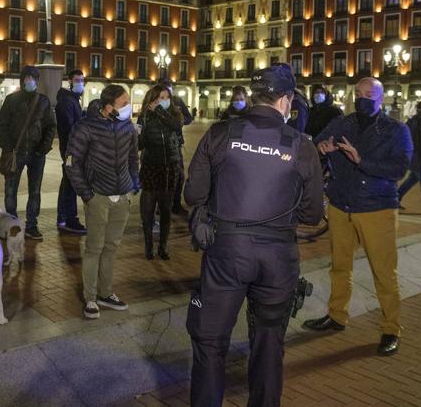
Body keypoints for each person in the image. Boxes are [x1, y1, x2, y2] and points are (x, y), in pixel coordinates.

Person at [184, 64, 323, 407]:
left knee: (210, 343)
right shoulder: (301, 146)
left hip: (226, 252)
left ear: (255, 95)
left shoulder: (219, 133)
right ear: (286, 100)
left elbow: (192, 195)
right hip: (277, 259)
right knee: (269, 343)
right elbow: (312, 214)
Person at [304, 77, 413, 357]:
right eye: (359, 93)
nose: (363, 97)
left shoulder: (396, 130)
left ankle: (391, 328)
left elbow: (399, 168)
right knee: (340, 266)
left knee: (384, 273)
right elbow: (317, 142)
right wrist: (322, 149)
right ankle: (337, 315)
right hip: (342, 205)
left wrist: (360, 160)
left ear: (381, 98)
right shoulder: (344, 122)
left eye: (369, 94)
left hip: (377, 208)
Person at [65, 85, 140, 319]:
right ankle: (90, 298)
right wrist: (87, 194)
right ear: (109, 108)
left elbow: (132, 158)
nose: (129, 106)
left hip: (122, 196)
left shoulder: (128, 127)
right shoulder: (85, 127)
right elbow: (71, 164)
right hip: (98, 196)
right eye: (124, 103)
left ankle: (106, 293)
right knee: (94, 249)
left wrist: (133, 184)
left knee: (111, 247)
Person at [0, 65, 56, 241]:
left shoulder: (44, 101)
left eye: (32, 78)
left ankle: (32, 224)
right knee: (10, 190)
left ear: (37, 80)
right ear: (22, 80)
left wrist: (43, 149)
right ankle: (11, 223)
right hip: (16, 153)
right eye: (26, 77)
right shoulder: (11, 100)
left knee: (35, 190)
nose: (29, 80)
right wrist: (8, 148)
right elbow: (3, 125)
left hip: (37, 154)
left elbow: (50, 127)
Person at [137, 84, 181, 260]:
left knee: (165, 209)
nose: (164, 101)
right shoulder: (145, 117)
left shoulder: (174, 115)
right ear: (152, 99)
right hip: (150, 167)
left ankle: (163, 246)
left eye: (166, 97)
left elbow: (175, 127)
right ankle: (148, 246)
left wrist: (160, 111)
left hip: (169, 167)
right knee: (147, 209)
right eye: (161, 98)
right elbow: (140, 143)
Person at [55, 69, 87, 234]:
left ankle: (63, 215)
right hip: (71, 149)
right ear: (70, 81)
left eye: (82, 80)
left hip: (71, 147)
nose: (80, 83)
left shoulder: (72, 100)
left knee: (67, 181)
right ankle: (70, 219)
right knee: (72, 183)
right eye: (77, 80)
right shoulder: (67, 101)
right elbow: (69, 127)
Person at [158, 78, 193, 217]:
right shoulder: (153, 101)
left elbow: (189, 118)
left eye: (170, 89)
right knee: (161, 178)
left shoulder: (178, 101)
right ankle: (161, 206)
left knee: (179, 177)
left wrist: (178, 121)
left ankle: (176, 205)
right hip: (159, 145)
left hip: (176, 144)